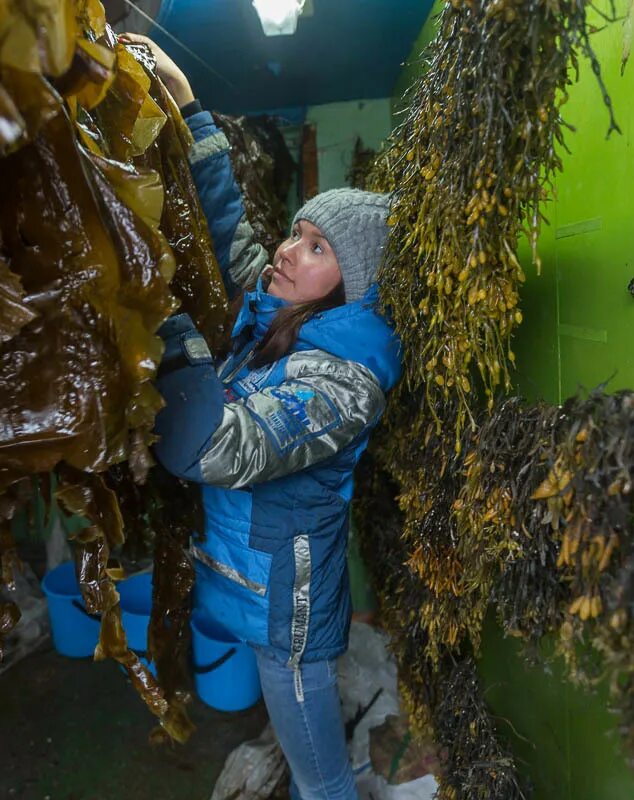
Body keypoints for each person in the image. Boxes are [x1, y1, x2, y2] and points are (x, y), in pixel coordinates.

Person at [124, 34, 401, 800]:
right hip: (253, 587)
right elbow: (229, 229)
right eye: (297, 231)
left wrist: (165, 321)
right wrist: (186, 107)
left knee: (320, 781)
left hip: (290, 623)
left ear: (355, 289)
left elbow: (221, 444)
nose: (287, 251)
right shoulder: (285, 316)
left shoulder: (343, 381)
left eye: (316, 248)